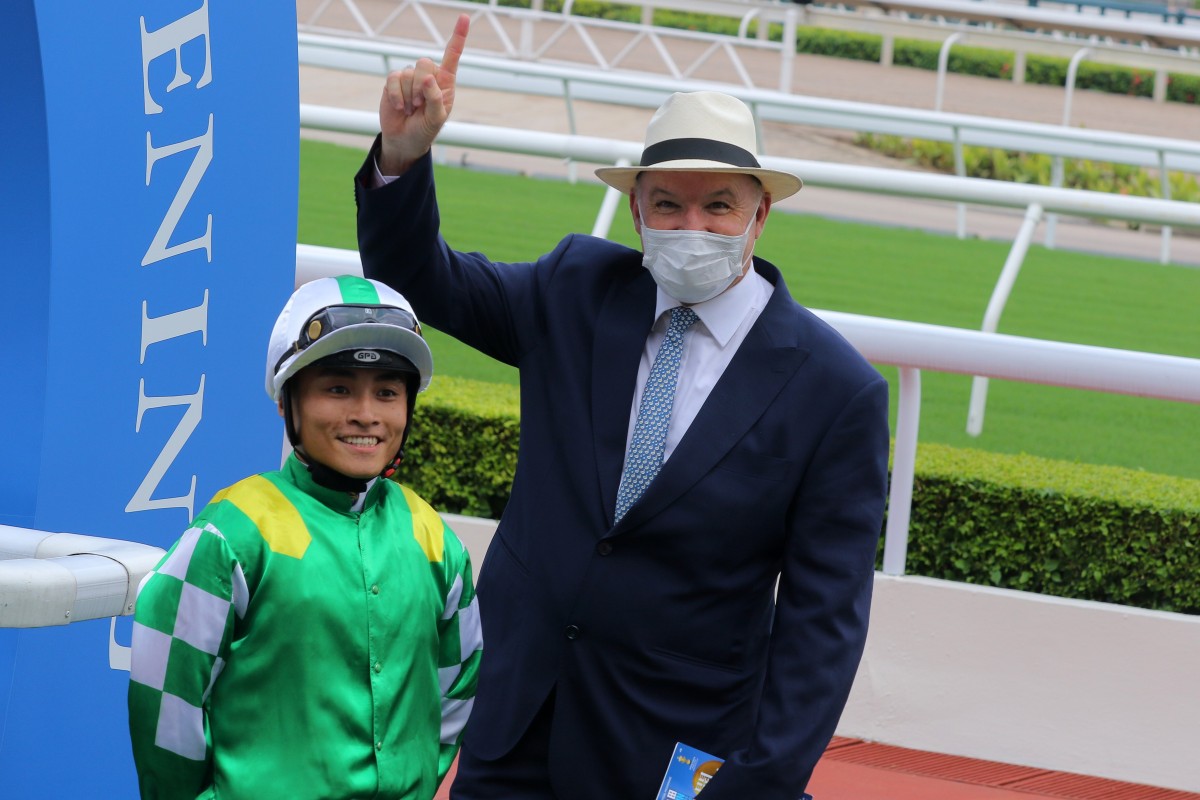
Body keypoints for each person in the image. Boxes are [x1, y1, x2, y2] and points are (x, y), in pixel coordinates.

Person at [354, 15, 889, 799]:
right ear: (636, 209)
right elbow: (422, 279)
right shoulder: (575, 287)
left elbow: (823, 628)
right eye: (668, 204)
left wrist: (760, 784)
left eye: (719, 207)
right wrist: (404, 155)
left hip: (678, 758)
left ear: (759, 214)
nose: (691, 227)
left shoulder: (836, 390)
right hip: (516, 723)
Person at [127, 275, 482, 800]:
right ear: (287, 403)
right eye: (338, 388)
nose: (365, 414)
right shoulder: (230, 532)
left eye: (387, 392)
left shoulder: (432, 536)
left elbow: (455, 692)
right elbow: (165, 703)